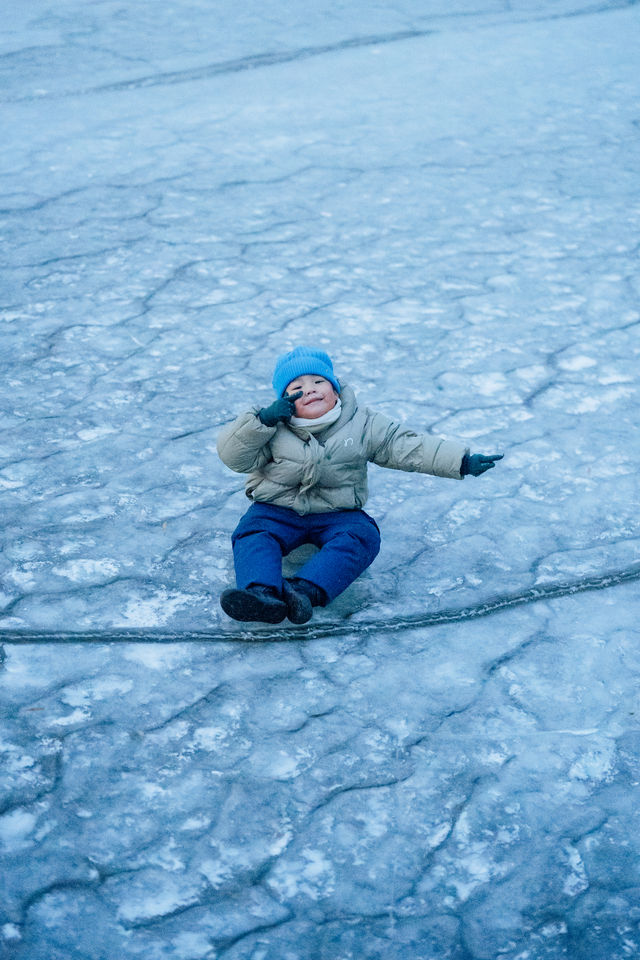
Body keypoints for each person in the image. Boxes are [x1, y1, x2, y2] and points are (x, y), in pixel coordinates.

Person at [216, 346, 502, 625]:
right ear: (284, 400)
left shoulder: (362, 422)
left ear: (336, 390)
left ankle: (304, 591)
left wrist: (460, 462)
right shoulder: (270, 426)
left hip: (338, 512)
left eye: (319, 381)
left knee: (362, 536)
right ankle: (260, 594)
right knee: (254, 533)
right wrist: (261, 422)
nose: (311, 389)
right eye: (297, 387)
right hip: (275, 508)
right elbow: (234, 457)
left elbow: (404, 446)